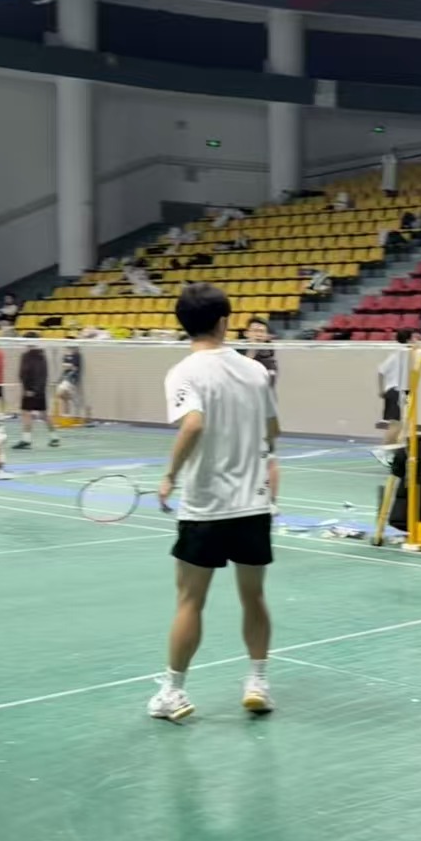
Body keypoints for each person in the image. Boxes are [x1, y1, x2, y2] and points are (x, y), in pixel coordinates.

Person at [151, 282, 280, 723]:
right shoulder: (257, 371)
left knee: (190, 600)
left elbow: (192, 424)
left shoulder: (183, 372)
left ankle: (173, 692)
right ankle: (257, 682)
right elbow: (273, 432)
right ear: (224, 322)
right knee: (254, 596)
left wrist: (170, 475)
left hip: (205, 506)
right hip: (253, 504)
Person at [12, 343, 59, 449]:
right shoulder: (42, 356)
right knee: (44, 415)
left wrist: (29, 389)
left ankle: (26, 440)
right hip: (40, 391)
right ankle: (55, 437)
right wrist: (39, 389)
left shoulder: (26, 356)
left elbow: (23, 374)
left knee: (26, 413)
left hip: (30, 390)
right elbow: (43, 375)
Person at [378, 328, 412, 444]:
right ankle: (385, 450)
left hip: (401, 391)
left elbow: (381, 371)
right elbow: (381, 371)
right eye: (414, 338)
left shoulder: (401, 352)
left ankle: (393, 449)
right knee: (395, 426)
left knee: (400, 426)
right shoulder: (402, 352)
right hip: (396, 391)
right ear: (409, 339)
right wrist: (381, 390)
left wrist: (381, 390)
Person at [240, 317, 278, 384]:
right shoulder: (236, 352)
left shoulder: (269, 358)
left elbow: (270, 381)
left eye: (262, 331)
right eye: (255, 331)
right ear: (246, 333)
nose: (258, 335)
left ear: (266, 336)